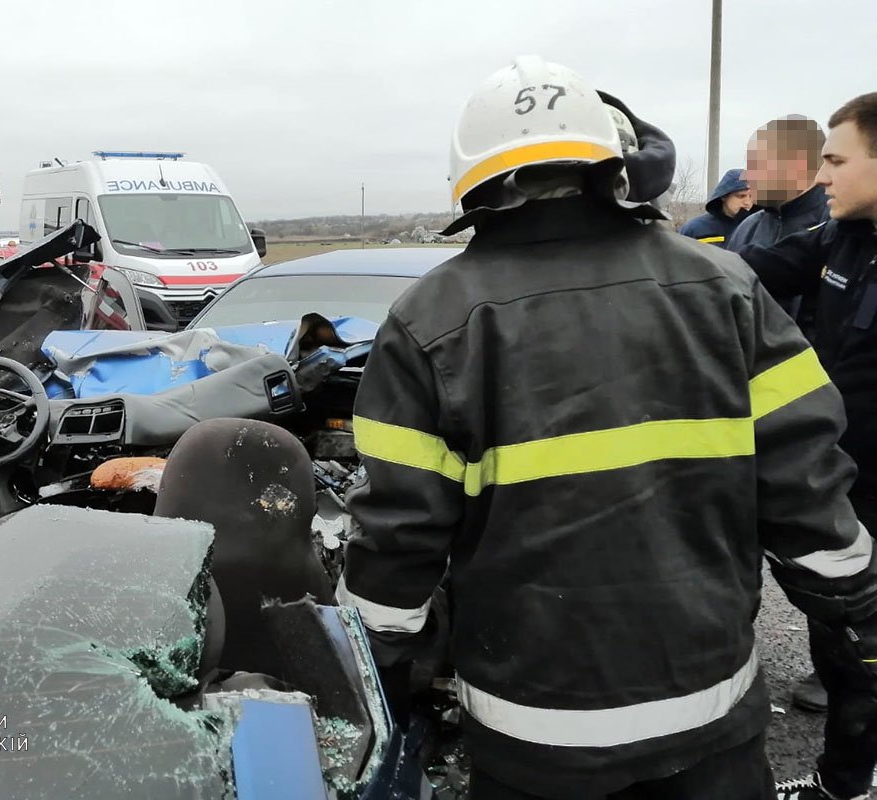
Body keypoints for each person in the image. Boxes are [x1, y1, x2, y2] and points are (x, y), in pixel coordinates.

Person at [334, 55, 877, 800]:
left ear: (474, 185)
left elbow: (398, 545)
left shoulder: (427, 322)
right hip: (709, 726)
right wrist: (860, 623)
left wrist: (375, 679)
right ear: (616, 167)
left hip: (532, 741)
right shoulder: (726, 290)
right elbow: (807, 496)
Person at [734, 91, 877, 799]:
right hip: (845, 483)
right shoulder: (841, 238)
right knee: (844, 644)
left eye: (837, 161)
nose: (823, 177)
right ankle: (842, 783)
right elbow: (754, 270)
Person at [727, 115, 832, 330]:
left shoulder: (837, 229)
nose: (745, 176)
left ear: (798, 165)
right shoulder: (747, 228)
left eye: (755, 164)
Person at [679, 168, 755, 245]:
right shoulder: (695, 229)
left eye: (751, 196)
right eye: (741, 196)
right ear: (724, 196)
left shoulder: (758, 228)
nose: (747, 202)